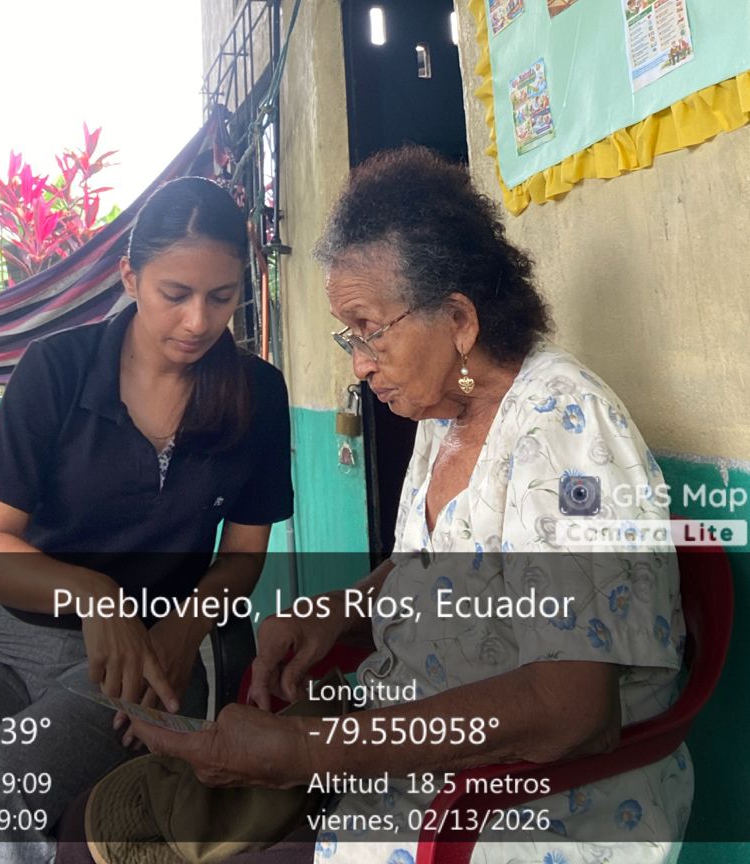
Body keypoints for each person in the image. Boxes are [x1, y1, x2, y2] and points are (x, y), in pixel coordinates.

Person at [64, 148, 691, 864]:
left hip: (517, 810)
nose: (359, 363)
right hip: (401, 770)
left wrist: (306, 751)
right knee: (96, 826)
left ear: (458, 319)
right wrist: (341, 609)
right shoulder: (444, 416)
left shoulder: (563, 430)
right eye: (350, 334)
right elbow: (440, 569)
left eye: (369, 329)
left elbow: (573, 710)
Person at [0, 177, 293, 864]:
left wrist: (182, 631)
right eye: (175, 294)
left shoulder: (256, 394)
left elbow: (242, 557)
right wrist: (95, 595)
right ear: (130, 276)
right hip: (6, 641)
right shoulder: (57, 369)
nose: (198, 322)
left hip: (147, 655)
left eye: (221, 297)